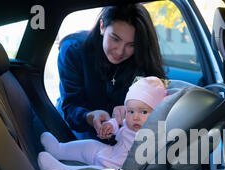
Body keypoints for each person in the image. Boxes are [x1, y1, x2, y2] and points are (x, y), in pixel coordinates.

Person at [57, 4, 165, 141]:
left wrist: (133, 107)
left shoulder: (141, 60)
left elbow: (158, 92)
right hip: (77, 131)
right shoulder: (73, 51)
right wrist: (90, 116)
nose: (120, 52)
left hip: (123, 136)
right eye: (115, 39)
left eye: (131, 45)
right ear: (102, 26)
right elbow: (70, 107)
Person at [38, 77, 167, 170]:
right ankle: (59, 149)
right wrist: (110, 126)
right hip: (110, 153)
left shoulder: (154, 134)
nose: (136, 117)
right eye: (131, 111)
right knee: (90, 145)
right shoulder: (130, 123)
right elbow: (119, 124)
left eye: (144, 112)